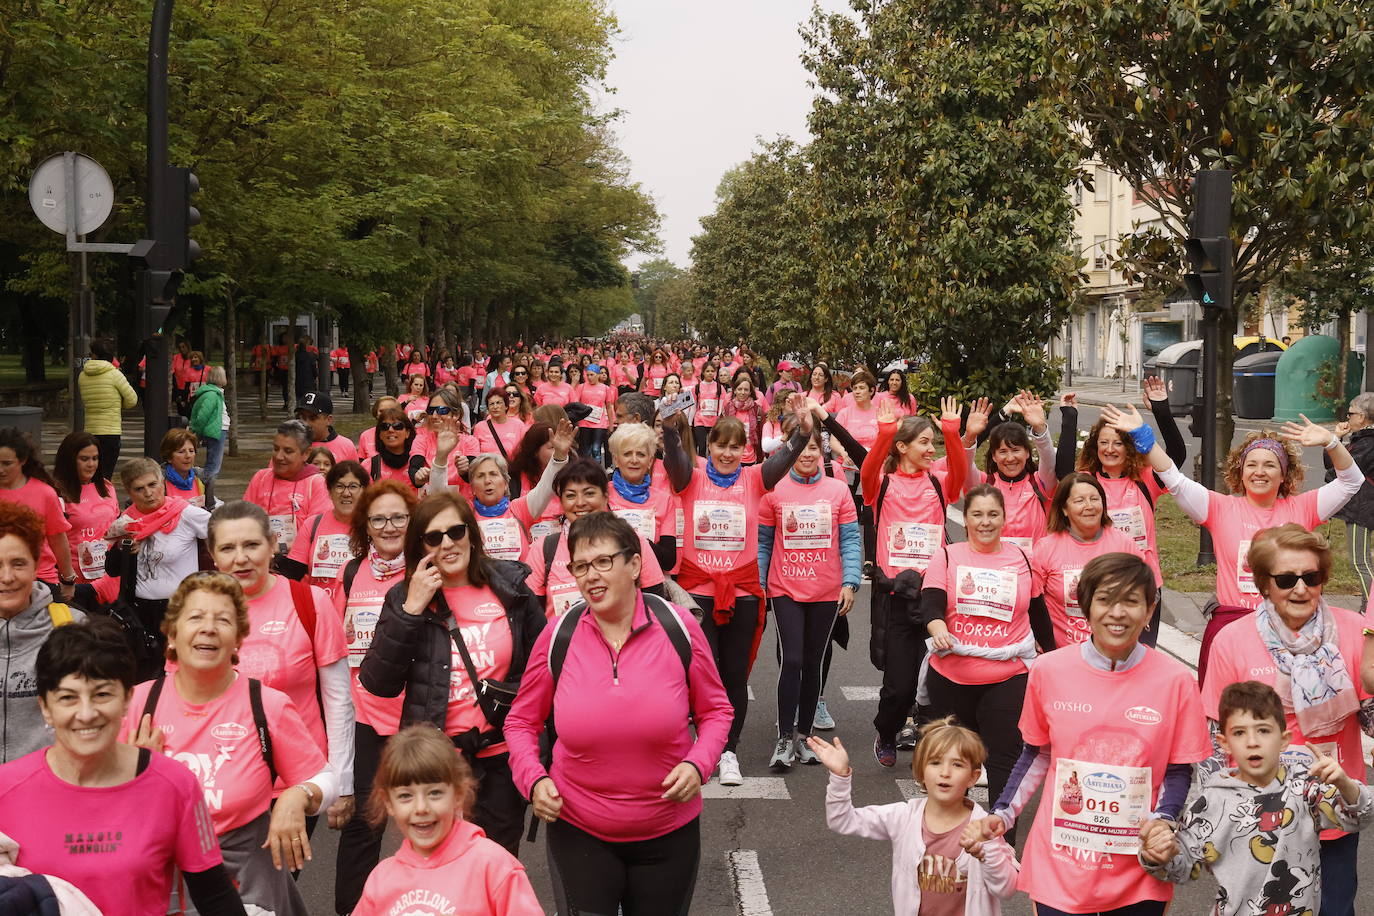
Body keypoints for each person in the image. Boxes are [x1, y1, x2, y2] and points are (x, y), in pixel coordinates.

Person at [505, 512, 732, 915]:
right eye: (580, 566)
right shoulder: (559, 634)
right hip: (580, 830)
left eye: (603, 562)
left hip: (668, 832)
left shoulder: (678, 627)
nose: (591, 576)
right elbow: (521, 721)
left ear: (634, 564)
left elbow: (716, 710)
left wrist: (699, 765)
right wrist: (534, 780)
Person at [964, 552, 1212, 916]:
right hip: (1062, 862)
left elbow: (1178, 769)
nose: (1117, 612)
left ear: (1148, 611)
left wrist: (1164, 822)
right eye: (1105, 599)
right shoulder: (1049, 670)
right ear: (1086, 606)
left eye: (1131, 601)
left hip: (1137, 866)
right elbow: (1037, 753)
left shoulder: (1176, 681)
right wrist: (1002, 814)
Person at [0, 617, 245, 916]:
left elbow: (216, 896)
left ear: (128, 698)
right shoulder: (6, 788)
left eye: (102, 694)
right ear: (45, 708)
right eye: (68, 698)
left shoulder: (175, 785)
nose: (87, 713)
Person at [125, 573, 336, 916]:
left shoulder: (266, 704)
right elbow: (95, 798)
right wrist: (137, 777)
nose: (208, 628)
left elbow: (327, 780)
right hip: (161, 887)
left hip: (246, 890)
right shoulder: (138, 703)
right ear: (173, 635)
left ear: (238, 640)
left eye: (222, 620)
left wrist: (297, 795)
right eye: (195, 617)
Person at [1103, 403, 1361, 681]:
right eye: (1251, 464)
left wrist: (1332, 442)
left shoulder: (1304, 508)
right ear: (1240, 472)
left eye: (1270, 465)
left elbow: (1350, 481)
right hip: (1233, 628)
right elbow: (1174, 479)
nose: (1259, 472)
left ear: (1284, 474)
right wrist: (1142, 434)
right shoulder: (1219, 508)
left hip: (1291, 629)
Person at [359, 491, 545, 856]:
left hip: (500, 757)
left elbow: (543, 669)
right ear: (421, 546)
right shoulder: (404, 597)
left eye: (456, 531)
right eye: (433, 536)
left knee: (497, 862)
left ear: (471, 535)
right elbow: (378, 682)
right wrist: (411, 610)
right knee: (439, 863)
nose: (447, 543)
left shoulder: (509, 588)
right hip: (436, 762)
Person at [1200, 524, 1370, 915]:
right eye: (1286, 579)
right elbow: (1214, 739)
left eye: (1311, 577)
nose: (1300, 589)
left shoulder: (1352, 632)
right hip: (1258, 816)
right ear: (1263, 583)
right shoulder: (1232, 639)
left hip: (1331, 811)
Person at [660, 403, 813, 785]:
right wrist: (669, 430)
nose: (728, 453)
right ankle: (703, 744)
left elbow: (786, 456)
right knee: (701, 674)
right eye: (720, 445)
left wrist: (804, 433)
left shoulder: (756, 478)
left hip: (743, 593)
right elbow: (676, 463)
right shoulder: (691, 478)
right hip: (698, 596)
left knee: (733, 677)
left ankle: (728, 750)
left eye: (735, 446)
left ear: (745, 449)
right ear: (708, 445)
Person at [1140, 680, 1374, 916]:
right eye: (1239, 733)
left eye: (1263, 730)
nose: (1252, 741)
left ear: (1284, 740)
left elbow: (1358, 817)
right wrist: (1159, 855)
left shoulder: (1305, 788)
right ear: (1224, 743)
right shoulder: (1213, 798)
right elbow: (1184, 867)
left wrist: (1345, 784)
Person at [208, 501, 355, 835]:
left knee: (278, 883)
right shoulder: (197, 612)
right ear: (213, 555)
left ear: (273, 544)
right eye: (228, 548)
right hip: (218, 783)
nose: (240, 558)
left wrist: (341, 782)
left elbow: (338, 699)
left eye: (251, 544)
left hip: (297, 783)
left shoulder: (309, 602)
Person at [842, 398, 969, 766]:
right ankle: (887, 730)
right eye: (925, 442)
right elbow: (867, 472)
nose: (932, 450)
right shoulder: (881, 485)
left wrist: (952, 433)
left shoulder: (938, 482)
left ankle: (932, 750)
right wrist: (882, 436)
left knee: (937, 683)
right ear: (902, 448)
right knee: (898, 686)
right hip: (896, 595)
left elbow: (959, 472)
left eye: (934, 443)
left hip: (934, 594)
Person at [919, 484, 1043, 824]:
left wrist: (1056, 659)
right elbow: (930, 602)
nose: (985, 522)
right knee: (952, 767)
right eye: (977, 514)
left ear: (1005, 518)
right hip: (951, 678)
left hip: (1008, 675)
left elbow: (1039, 613)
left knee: (1004, 761)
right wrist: (936, 626)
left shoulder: (1022, 558)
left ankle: (1001, 848)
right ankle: (948, 841)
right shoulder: (947, 555)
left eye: (993, 514)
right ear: (966, 518)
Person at [808, 720, 1019, 915]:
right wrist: (840, 776)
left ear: (973, 777)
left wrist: (986, 851)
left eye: (957, 764)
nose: (945, 772)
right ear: (921, 772)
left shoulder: (983, 827)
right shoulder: (904, 816)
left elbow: (1007, 889)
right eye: (935, 763)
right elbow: (842, 820)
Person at [329, 479, 417, 915]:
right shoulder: (351, 572)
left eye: (398, 517)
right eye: (379, 518)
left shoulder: (426, 568)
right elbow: (336, 650)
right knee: (365, 825)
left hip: (420, 717)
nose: (388, 526)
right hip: (367, 716)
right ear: (366, 524)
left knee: (431, 820)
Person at [758, 407, 860, 770]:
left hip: (827, 590)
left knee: (814, 662)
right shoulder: (772, 489)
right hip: (785, 588)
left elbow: (850, 540)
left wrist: (850, 582)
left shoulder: (838, 490)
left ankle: (803, 737)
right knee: (793, 659)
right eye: (801, 449)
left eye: (814, 450)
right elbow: (764, 543)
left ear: (823, 452)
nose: (807, 456)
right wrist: (761, 586)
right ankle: (784, 737)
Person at [351, 726, 541, 916]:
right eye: (405, 796)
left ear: (458, 794)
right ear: (389, 803)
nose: (421, 808)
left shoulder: (494, 867)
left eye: (434, 793)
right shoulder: (382, 879)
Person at [1057, 379, 1186, 622]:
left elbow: (1176, 455)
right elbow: (1063, 472)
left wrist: (1161, 409)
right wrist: (1069, 415)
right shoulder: (1087, 482)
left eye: (1117, 443)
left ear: (1129, 447)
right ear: (1095, 447)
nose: (1110, 449)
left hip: (1143, 583)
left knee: (1139, 658)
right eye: (1103, 443)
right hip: (1098, 584)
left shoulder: (1145, 479)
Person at [522, 459, 669, 618]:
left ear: (606, 496)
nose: (580, 503)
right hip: (565, 641)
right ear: (561, 502)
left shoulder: (633, 542)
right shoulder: (544, 548)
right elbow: (532, 618)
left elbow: (655, 605)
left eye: (589, 493)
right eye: (570, 496)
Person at [0, 501, 87, 764]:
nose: (7, 577)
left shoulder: (71, 628)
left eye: (18, 564)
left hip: (47, 792)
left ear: (36, 566)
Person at [1032, 472, 1149, 648]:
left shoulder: (1123, 543)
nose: (1089, 506)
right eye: (1079, 501)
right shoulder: (1046, 548)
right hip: (1063, 653)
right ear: (1064, 508)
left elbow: (1145, 592)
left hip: (1114, 652)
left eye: (1094, 499)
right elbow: (1030, 601)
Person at [469, 420, 573, 563]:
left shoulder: (519, 509)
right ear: (473, 487)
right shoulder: (464, 515)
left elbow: (545, 487)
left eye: (493, 474)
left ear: (506, 484)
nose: (487, 481)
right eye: (480, 476)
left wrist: (559, 456)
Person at [0, 428, 76, 602]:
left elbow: (57, 538)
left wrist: (68, 578)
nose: (1, 470)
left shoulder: (44, 493)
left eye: (7, 463)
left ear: (23, 460)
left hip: (40, 581)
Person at [242, 420, 331, 557]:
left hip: (299, 565)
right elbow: (243, 521)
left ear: (306, 454)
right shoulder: (261, 478)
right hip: (259, 560)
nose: (278, 456)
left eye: (287, 451)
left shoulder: (316, 483)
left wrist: (281, 547)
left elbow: (317, 533)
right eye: (276, 449)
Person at [281, 460, 369, 595]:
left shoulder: (374, 525)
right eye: (339, 486)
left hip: (360, 610)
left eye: (353, 486)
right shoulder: (313, 524)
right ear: (329, 491)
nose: (346, 493)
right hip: (320, 610)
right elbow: (292, 574)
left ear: (364, 491)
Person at [52, 432, 119, 592]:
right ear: (69, 460)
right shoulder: (56, 493)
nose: (91, 464)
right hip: (73, 583)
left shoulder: (107, 487)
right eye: (84, 459)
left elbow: (117, 526)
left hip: (109, 577)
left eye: (95, 458)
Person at [607, 423, 678, 572]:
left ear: (650, 461)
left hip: (650, 584)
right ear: (616, 459)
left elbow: (668, 560)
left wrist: (633, 539)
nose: (634, 460)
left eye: (641, 454)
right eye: (627, 454)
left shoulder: (664, 500)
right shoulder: (603, 494)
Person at [1326, 391, 1374, 603]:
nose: (1348, 417)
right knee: (1362, 561)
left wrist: (1335, 441)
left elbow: (1337, 470)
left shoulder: (1367, 443)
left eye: (1351, 413)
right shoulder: (1363, 440)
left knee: (1360, 562)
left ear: (1362, 417)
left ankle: (1369, 609)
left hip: (1361, 509)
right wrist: (1337, 440)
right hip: (1364, 507)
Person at [77, 337, 138, 478]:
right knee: (106, 474)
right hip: (111, 431)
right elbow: (132, 400)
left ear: (94, 355)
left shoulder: (82, 376)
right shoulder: (115, 375)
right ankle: (105, 499)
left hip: (90, 431)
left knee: (92, 474)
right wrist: (118, 403)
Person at [189, 365, 230, 490]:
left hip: (215, 430)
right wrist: (196, 432)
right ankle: (206, 490)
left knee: (212, 463)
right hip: (217, 430)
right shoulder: (213, 395)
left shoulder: (211, 393)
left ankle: (203, 485)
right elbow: (203, 416)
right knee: (214, 465)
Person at [298, 390, 359, 464]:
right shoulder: (294, 444)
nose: (306, 423)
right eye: (303, 417)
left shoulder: (346, 446)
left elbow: (354, 474)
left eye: (312, 418)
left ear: (328, 420)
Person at [476, 385, 530, 464]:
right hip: (487, 471)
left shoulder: (518, 425)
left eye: (499, 403)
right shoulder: (479, 427)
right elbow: (476, 455)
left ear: (506, 406)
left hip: (510, 472)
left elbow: (525, 452)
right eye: (491, 404)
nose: (495, 407)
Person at [722, 371, 764, 464]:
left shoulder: (757, 410)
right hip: (730, 456)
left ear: (750, 392)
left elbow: (761, 434)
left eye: (746, 389)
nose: (742, 392)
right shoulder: (728, 408)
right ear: (735, 390)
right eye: (739, 389)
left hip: (750, 458)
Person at [576, 363, 615, 464]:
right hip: (584, 423)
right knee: (586, 450)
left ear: (598, 375)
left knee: (596, 449)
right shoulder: (581, 387)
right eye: (587, 375)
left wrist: (610, 424)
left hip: (600, 423)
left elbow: (609, 407)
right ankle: (585, 471)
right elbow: (575, 404)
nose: (589, 377)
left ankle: (596, 471)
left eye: (592, 374)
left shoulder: (605, 388)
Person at [161, 427, 209, 507]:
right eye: (181, 452)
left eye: (191, 451)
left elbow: (210, 507)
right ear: (169, 457)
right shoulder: (159, 480)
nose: (188, 456)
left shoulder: (202, 477)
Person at [691, 361, 726, 456]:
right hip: (700, 420)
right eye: (707, 371)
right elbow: (694, 406)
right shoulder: (697, 387)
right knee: (701, 447)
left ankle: (712, 466)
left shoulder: (720, 387)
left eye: (712, 371)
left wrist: (719, 418)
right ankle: (701, 467)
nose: (710, 373)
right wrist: (690, 423)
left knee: (713, 446)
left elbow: (722, 405)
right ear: (703, 372)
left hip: (714, 421)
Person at [356, 396, 400, 462]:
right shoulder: (366, 435)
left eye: (389, 410)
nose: (385, 414)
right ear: (376, 413)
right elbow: (361, 463)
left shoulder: (405, 434)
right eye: (381, 411)